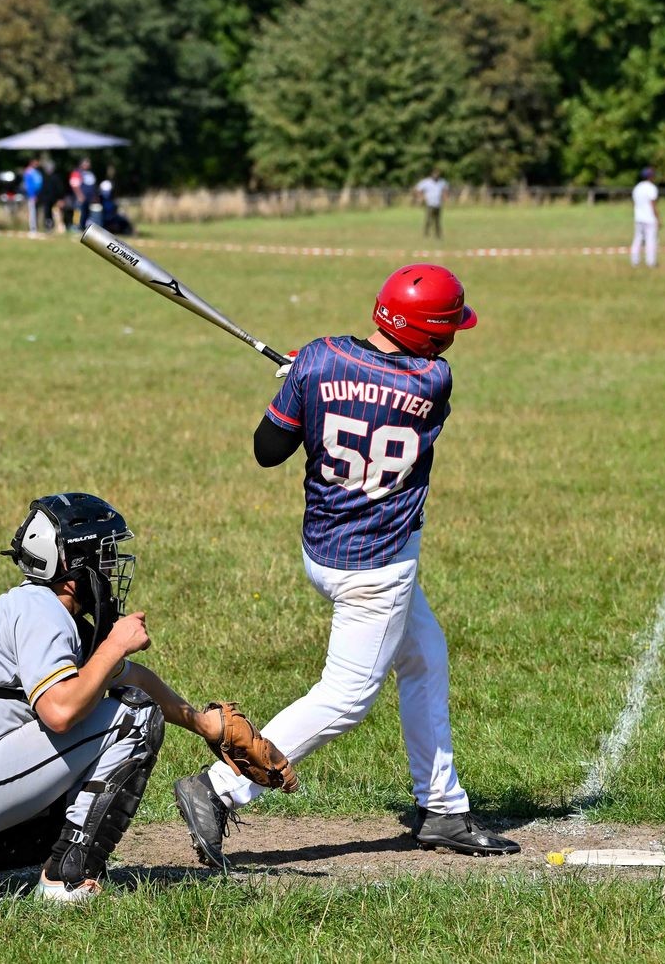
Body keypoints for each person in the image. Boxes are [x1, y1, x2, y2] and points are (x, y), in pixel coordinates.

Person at [173, 264, 520, 868]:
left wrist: (303, 385)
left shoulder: (318, 358)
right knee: (346, 697)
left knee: (424, 655)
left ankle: (442, 807)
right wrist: (316, 380)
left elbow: (268, 450)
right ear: (433, 336)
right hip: (377, 567)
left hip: (326, 550)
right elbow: (380, 387)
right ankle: (219, 788)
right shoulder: (434, 381)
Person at [0, 493, 290, 901]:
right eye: (104, 556)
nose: (111, 568)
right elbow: (60, 712)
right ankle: (65, 879)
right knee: (134, 719)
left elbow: (132, 676)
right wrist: (114, 645)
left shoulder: (34, 606)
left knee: (108, 724)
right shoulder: (42, 614)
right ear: (70, 567)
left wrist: (204, 724)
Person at [631, 166, 660, 268]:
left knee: (637, 239)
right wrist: (658, 218)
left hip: (638, 217)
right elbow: (653, 204)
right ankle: (651, 262)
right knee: (650, 240)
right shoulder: (651, 188)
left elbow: (634, 203)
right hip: (649, 218)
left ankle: (634, 261)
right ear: (650, 176)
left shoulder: (637, 187)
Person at [415, 168, 448, 240]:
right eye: (435, 174)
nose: (436, 175)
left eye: (438, 174)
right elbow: (418, 189)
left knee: (437, 220)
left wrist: (445, 197)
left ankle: (438, 234)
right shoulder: (426, 182)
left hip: (438, 204)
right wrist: (421, 197)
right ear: (432, 174)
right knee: (428, 220)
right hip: (429, 204)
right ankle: (426, 233)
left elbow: (445, 190)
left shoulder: (442, 182)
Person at [22, 158, 44, 233]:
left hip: (38, 195)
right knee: (32, 212)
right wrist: (32, 195)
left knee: (37, 212)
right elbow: (29, 185)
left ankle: (36, 227)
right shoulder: (29, 172)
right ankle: (33, 229)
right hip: (32, 195)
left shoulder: (37, 172)